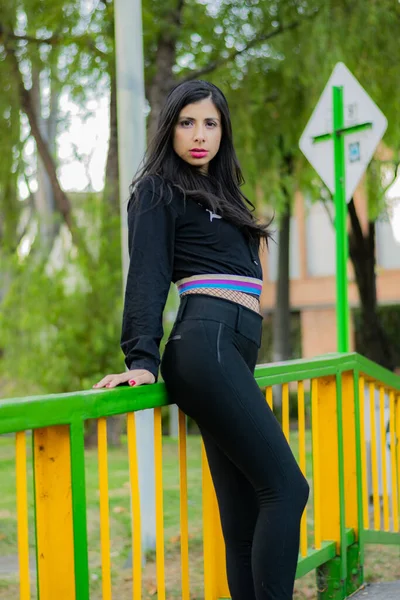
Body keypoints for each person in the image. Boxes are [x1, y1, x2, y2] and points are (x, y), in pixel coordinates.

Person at [93, 80, 309, 600]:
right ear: (169, 129)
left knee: (244, 517)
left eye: (210, 123)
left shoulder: (226, 195)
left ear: (223, 131)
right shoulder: (157, 191)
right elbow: (145, 275)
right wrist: (141, 358)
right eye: (187, 122)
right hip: (204, 344)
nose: (199, 134)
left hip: (233, 349)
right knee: (287, 489)